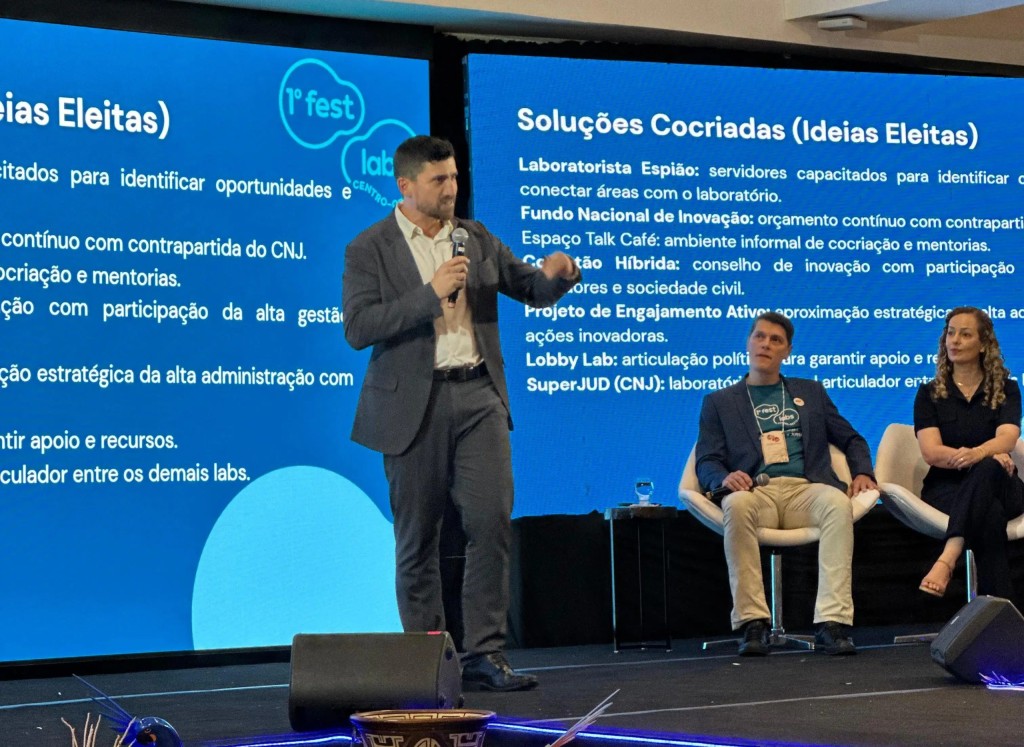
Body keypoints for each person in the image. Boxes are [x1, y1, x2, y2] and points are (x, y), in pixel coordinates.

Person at [342, 135, 580, 691]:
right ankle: (429, 663)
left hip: (479, 397)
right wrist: (430, 293)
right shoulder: (368, 247)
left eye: (453, 177)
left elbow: (531, 288)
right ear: (405, 185)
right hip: (413, 405)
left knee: (491, 522)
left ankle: (485, 654)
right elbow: (358, 327)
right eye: (438, 180)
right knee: (418, 539)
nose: (451, 188)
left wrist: (559, 275)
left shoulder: (475, 237)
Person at [695, 312, 877, 656]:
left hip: (805, 490)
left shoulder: (811, 392)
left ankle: (832, 622)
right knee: (735, 504)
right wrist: (723, 478)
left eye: (775, 340)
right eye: (760, 337)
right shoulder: (719, 402)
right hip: (756, 491)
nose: (766, 344)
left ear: (788, 351)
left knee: (838, 504)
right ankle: (753, 623)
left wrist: (863, 473)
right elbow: (707, 460)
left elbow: (851, 439)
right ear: (748, 343)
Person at [915, 306, 1024, 599]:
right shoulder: (929, 394)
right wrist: (984, 455)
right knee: (989, 514)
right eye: (951, 333)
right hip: (946, 488)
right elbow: (932, 453)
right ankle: (1000, 613)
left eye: (965, 334)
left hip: (1004, 485)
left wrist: (980, 454)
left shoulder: (1007, 389)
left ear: (984, 344)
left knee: (990, 468)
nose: (955, 341)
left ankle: (948, 557)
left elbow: (1008, 438)